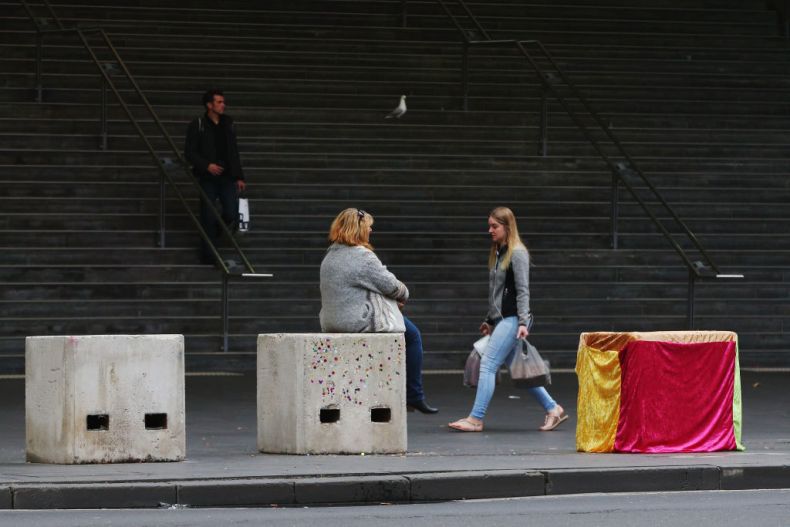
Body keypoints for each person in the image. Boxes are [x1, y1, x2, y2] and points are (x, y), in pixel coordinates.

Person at [449, 206, 568, 432]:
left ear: (507, 226)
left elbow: (523, 290)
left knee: (488, 364)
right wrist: (490, 320)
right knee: (520, 369)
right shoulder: (498, 252)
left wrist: (523, 322)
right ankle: (553, 408)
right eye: (489, 226)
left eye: (495, 226)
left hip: (513, 319)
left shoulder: (518, 253)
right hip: (503, 319)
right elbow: (497, 292)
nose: (490, 230)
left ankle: (475, 419)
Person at [319, 208, 438, 414]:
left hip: (332, 320)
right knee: (413, 336)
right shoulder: (363, 257)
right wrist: (403, 295)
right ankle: (414, 396)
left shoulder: (329, 256)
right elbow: (392, 286)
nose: (371, 231)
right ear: (359, 229)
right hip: (360, 321)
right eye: (369, 227)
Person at [184, 89, 246, 265]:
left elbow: (233, 151)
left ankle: (214, 235)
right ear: (209, 105)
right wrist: (206, 165)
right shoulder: (198, 124)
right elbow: (189, 152)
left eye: (223, 102)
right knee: (208, 215)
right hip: (207, 177)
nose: (223, 105)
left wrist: (239, 176)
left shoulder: (228, 123)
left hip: (226, 176)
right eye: (219, 102)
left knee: (231, 212)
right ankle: (208, 254)